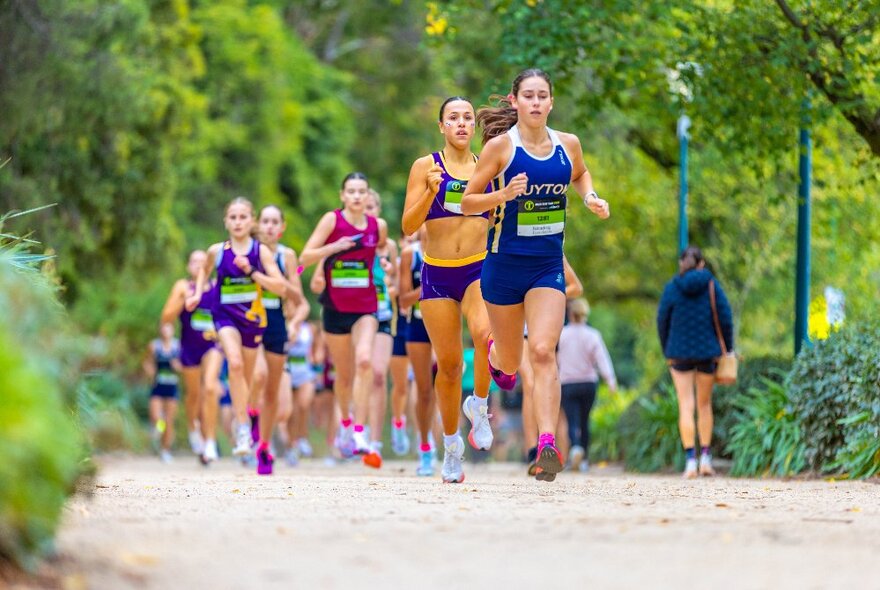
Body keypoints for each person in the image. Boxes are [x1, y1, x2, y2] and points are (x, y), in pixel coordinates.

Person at [461, 68, 610, 483]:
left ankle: (547, 445)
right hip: (504, 267)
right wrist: (502, 194)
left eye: (543, 95)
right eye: (528, 95)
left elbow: (579, 174)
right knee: (510, 363)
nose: (536, 103)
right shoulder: (499, 149)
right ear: (514, 101)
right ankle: (494, 355)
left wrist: (591, 197)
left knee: (543, 351)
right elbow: (468, 202)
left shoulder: (568, 145)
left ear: (551, 102)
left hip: (547, 265)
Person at [401, 96, 495, 484]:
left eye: (467, 118)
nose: (461, 124)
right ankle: (452, 446)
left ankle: (481, 404)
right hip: (438, 274)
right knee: (451, 366)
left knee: (486, 336)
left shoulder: (487, 167)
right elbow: (408, 225)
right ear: (441, 126)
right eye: (453, 118)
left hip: (477, 268)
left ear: (474, 126)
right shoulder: (425, 166)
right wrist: (429, 191)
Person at [186, 197, 288, 473]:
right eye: (233, 217)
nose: (238, 222)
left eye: (243, 217)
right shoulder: (217, 251)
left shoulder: (260, 252)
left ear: (251, 221)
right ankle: (243, 426)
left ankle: (244, 418)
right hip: (225, 317)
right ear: (226, 222)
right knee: (236, 363)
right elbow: (204, 271)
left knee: (250, 377)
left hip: (253, 320)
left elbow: (281, 287)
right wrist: (197, 293)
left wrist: (252, 272)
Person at [299, 172, 388, 467]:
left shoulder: (378, 226)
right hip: (335, 308)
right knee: (345, 374)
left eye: (362, 191)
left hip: (366, 306)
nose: (357, 196)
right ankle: (347, 423)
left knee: (365, 361)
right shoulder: (331, 221)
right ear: (342, 195)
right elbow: (304, 258)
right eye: (351, 191)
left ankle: (360, 432)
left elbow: (382, 253)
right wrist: (332, 249)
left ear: (368, 195)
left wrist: (388, 266)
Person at [657, 245, 733, 478]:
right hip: (707, 353)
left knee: (686, 405)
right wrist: (727, 348)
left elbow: (662, 320)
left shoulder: (672, 287)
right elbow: (725, 316)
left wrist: (667, 348)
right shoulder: (711, 285)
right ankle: (706, 459)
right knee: (704, 404)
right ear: (701, 264)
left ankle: (690, 460)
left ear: (682, 263)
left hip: (678, 352)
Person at [247, 205, 311, 474]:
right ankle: (251, 419)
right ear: (257, 225)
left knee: (281, 406)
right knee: (258, 376)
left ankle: (264, 445)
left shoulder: (287, 257)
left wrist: (294, 322)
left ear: (282, 227)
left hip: (277, 323)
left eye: (275, 222)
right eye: (266, 221)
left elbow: (299, 299)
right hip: (249, 323)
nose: (270, 226)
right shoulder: (246, 252)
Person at [521, 256, 582, 474]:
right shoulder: (507, 239)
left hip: (546, 333)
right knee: (530, 385)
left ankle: (553, 451)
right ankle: (532, 452)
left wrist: (549, 294)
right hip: (521, 333)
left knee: (548, 388)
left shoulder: (551, 246)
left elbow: (576, 287)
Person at [159, 250, 222, 458]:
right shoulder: (182, 286)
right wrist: (182, 300)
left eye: (203, 262)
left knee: (210, 387)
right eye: (194, 261)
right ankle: (193, 427)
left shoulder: (216, 287)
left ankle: (210, 441)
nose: (198, 265)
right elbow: (166, 318)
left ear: (209, 266)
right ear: (188, 266)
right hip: (189, 348)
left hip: (212, 346)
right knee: (193, 394)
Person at [557, 297, 617, 473]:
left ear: (570, 313)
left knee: (571, 420)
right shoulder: (593, 335)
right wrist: (611, 380)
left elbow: (556, 359)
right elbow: (602, 359)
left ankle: (575, 447)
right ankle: (584, 459)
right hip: (588, 383)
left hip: (567, 383)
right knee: (585, 420)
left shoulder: (562, 334)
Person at [361, 189, 398, 467]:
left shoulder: (390, 247)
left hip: (383, 312)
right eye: (363, 206)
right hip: (355, 313)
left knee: (377, 374)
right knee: (357, 370)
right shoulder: (349, 241)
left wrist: (389, 282)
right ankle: (354, 429)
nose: (368, 211)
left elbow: (397, 283)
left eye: (372, 206)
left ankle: (375, 442)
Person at [397, 229, 438, 476]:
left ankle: (451, 441)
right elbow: (403, 300)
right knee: (424, 390)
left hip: (447, 323)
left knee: (449, 381)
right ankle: (425, 447)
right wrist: (433, 285)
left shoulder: (454, 247)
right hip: (418, 325)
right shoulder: (409, 255)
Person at [143, 322, 182, 463]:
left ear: (173, 330)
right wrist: (150, 372)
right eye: (163, 327)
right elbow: (147, 362)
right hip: (158, 386)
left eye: (169, 327)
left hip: (172, 387)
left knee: (169, 421)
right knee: (156, 417)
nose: (166, 330)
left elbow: (186, 367)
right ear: (160, 330)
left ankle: (165, 450)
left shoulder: (178, 346)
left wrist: (177, 367)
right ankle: (158, 430)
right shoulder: (154, 346)